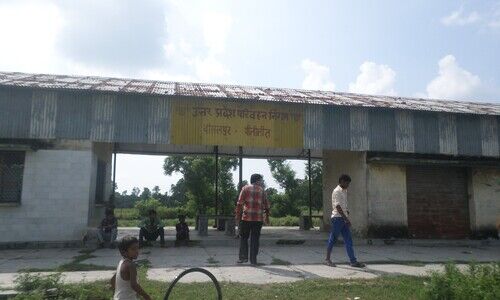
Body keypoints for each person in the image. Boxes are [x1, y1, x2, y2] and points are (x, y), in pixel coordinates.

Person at [325, 174, 365, 268]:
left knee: (348, 240)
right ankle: (327, 259)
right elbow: (338, 206)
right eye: (347, 183)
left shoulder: (344, 190)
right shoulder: (337, 191)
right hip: (337, 218)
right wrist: (346, 219)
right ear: (342, 181)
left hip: (343, 217)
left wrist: (346, 212)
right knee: (333, 239)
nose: (348, 185)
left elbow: (342, 205)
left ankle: (353, 261)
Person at [235, 174, 270, 265]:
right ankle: (253, 260)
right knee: (255, 239)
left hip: (246, 218)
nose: (262, 182)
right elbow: (267, 206)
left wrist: (238, 217)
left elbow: (239, 204)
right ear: (257, 180)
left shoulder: (245, 189)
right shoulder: (262, 191)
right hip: (258, 220)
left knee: (244, 238)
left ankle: (243, 258)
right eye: (261, 180)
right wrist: (267, 218)